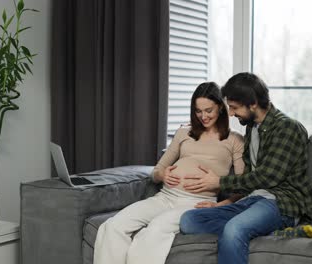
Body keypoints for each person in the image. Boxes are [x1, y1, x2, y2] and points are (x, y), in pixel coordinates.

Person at [93, 82, 245, 264]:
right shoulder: (184, 132)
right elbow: (156, 172)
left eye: (208, 110)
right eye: (198, 111)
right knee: (113, 226)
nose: (203, 116)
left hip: (195, 204)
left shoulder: (235, 139)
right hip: (165, 197)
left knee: (155, 230)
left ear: (220, 107)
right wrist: (163, 175)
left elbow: (243, 184)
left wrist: (222, 204)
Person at [180, 72, 312, 264]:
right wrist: (223, 204)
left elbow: (267, 178)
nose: (232, 114)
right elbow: (249, 178)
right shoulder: (252, 127)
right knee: (189, 221)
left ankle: (259, 226)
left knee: (234, 230)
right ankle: (268, 230)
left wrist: (219, 182)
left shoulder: (288, 128)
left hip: (282, 202)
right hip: (252, 200)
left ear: (253, 104)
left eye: (234, 108)